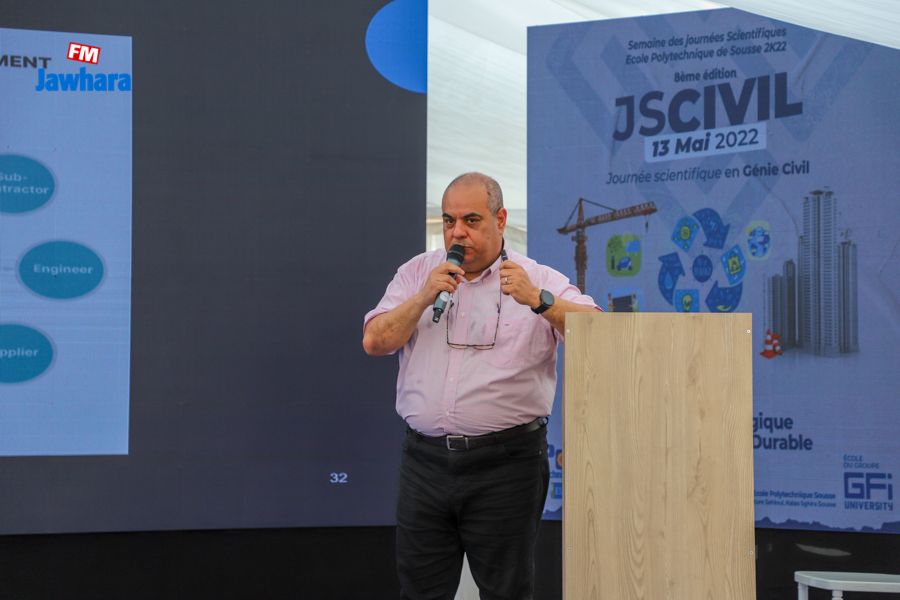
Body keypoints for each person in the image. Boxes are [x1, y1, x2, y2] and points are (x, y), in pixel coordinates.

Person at [363, 172, 599, 600]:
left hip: (506, 466)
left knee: (505, 591)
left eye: (471, 220)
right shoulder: (418, 273)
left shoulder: (534, 277)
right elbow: (375, 341)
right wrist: (422, 298)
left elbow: (599, 334)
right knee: (419, 590)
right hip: (425, 463)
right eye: (449, 220)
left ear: (500, 219)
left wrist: (539, 300)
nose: (458, 232)